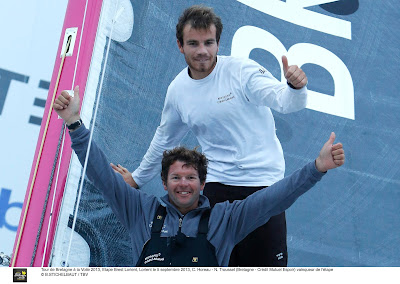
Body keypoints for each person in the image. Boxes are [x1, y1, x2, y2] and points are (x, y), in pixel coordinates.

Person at [53, 86, 344, 267]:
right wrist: (75, 125)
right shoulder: (139, 210)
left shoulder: (226, 220)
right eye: (176, 177)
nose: (183, 184)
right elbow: (101, 174)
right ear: (164, 182)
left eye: (190, 177)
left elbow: (275, 198)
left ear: (203, 184)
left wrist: (316, 168)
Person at [112, 5, 308, 266]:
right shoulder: (178, 90)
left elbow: (286, 102)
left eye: (209, 42)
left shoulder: (242, 71)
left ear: (218, 43)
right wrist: (136, 179)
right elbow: (164, 140)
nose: (202, 50)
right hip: (215, 187)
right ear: (180, 46)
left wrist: (296, 87)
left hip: (263, 185)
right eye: (193, 43)